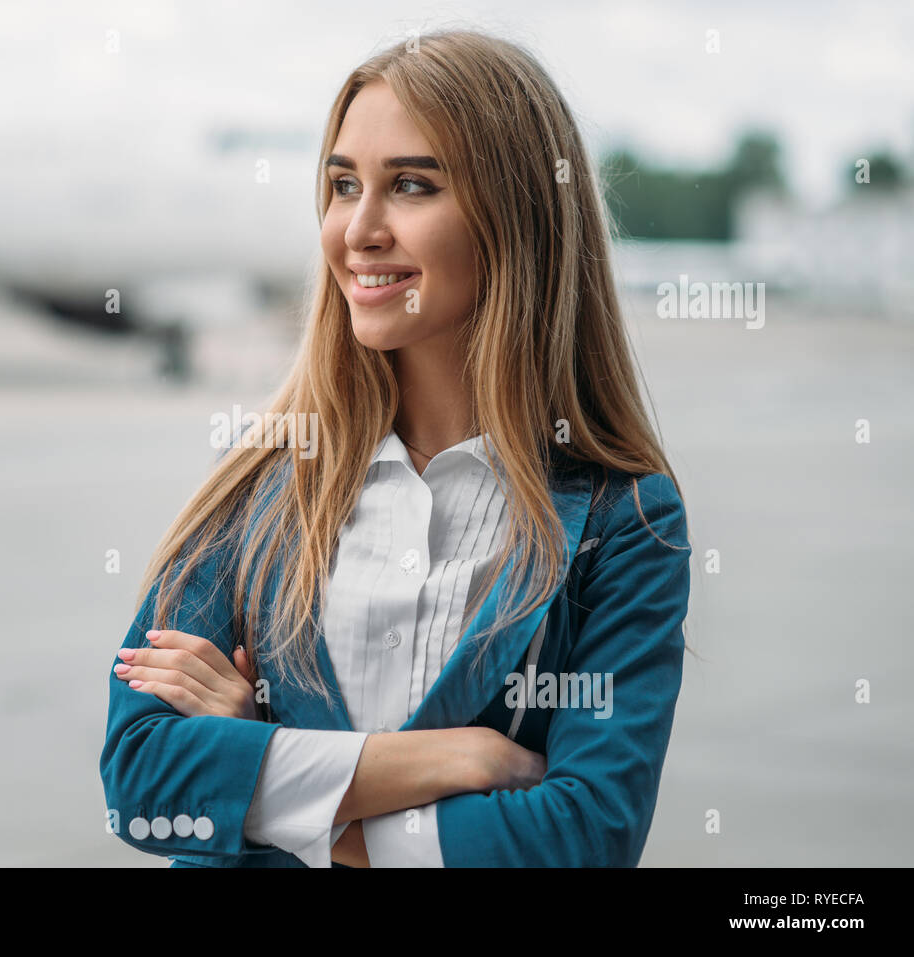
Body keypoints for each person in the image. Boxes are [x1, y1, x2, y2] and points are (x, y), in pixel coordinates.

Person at [99, 28, 692, 867]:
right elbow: (142, 775)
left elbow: (584, 837)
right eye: (343, 186)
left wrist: (272, 784)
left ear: (517, 215)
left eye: (411, 186)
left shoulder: (623, 517)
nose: (358, 229)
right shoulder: (257, 482)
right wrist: (450, 761)